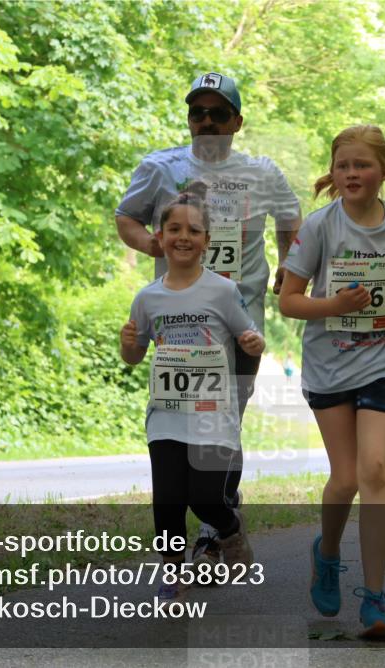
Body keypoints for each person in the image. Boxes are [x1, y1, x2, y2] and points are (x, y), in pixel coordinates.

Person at [116, 72, 301, 566]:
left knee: (225, 424)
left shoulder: (262, 172)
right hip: (180, 321)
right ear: (189, 118)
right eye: (198, 112)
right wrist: (149, 242)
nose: (207, 121)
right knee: (179, 422)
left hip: (239, 320)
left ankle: (217, 526)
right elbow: (127, 217)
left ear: (237, 122)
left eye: (219, 113)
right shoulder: (160, 167)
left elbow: (290, 217)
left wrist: (288, 264)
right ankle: (203, 531)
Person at [279, 125, 385, 639]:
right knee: (346, 479)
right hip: (330, 366)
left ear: (384, 173)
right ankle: (326, 553)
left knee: (375, 470)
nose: (352, 173)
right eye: (343, 166)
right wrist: (334, 305)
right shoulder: (319, 227)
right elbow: (288, 300)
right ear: (334, 174)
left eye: (362, 165)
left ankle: (374, 600)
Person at [120, 183, 264, 603]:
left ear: (206, 241)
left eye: (194, 230)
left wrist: (254, 344)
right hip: (166, 414)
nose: (183, 237)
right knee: (166, 502)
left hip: (212, 414)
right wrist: (128, 341)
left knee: (204, 498)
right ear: (159, 237)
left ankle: (232, 530)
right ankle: (172, 575)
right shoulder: (147, 298)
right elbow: (134, 354)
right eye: (174, 229)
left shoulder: (222, 290)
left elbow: (247, 335)